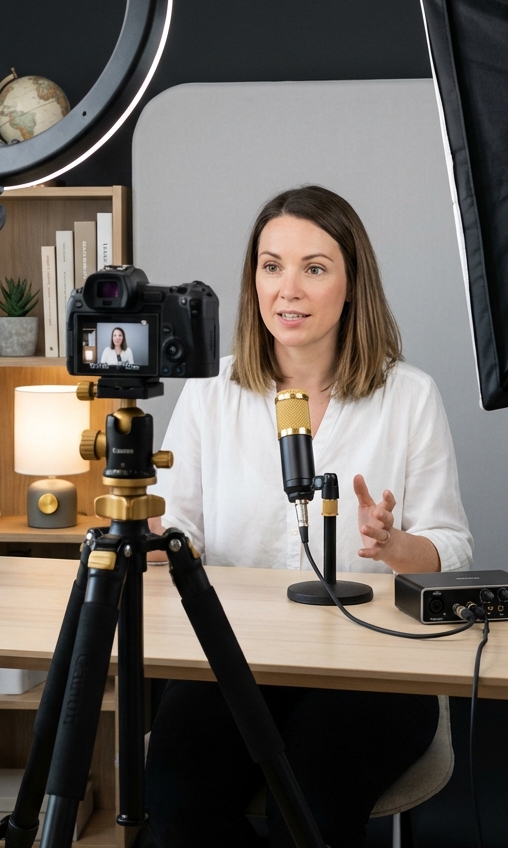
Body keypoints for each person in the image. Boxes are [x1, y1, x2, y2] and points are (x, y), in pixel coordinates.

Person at [143, 185, 472, 848]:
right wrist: (155, 544)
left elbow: (455, 550)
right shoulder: (213, 391)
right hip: (233, 660)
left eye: (314, 268)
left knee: (313, 808)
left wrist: (399, 545)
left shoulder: (409, 396)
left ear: (352, 285)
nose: (287, 290)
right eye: (271, 266)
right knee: (177, 808)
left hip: (372, 669)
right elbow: (179, 536)